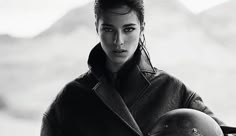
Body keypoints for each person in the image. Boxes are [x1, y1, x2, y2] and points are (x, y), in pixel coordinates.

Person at [40, 0, 228, 136]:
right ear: (96, 28)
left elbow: (218, 131)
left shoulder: (174, 90)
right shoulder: (70, 99)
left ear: (142, 28)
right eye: (108, 29)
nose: (118, 41)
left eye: (128, 29)